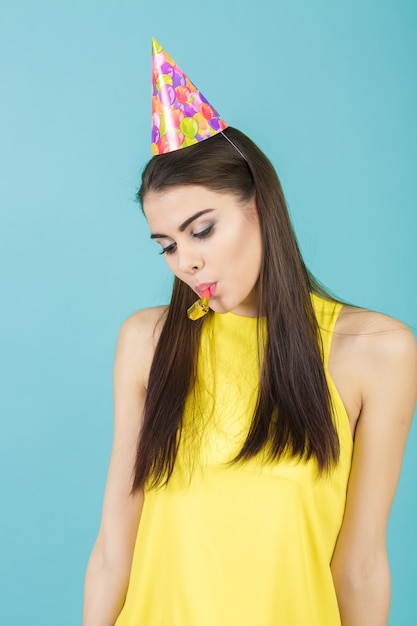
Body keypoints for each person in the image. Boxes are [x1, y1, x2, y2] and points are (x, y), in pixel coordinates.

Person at [83, 42, 417, 626]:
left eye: (202, 230)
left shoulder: (376, 354)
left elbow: (360, 565)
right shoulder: (148, 341)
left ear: (262, 206)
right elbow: (114, 549)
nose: (184, 262)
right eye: (167, 245)